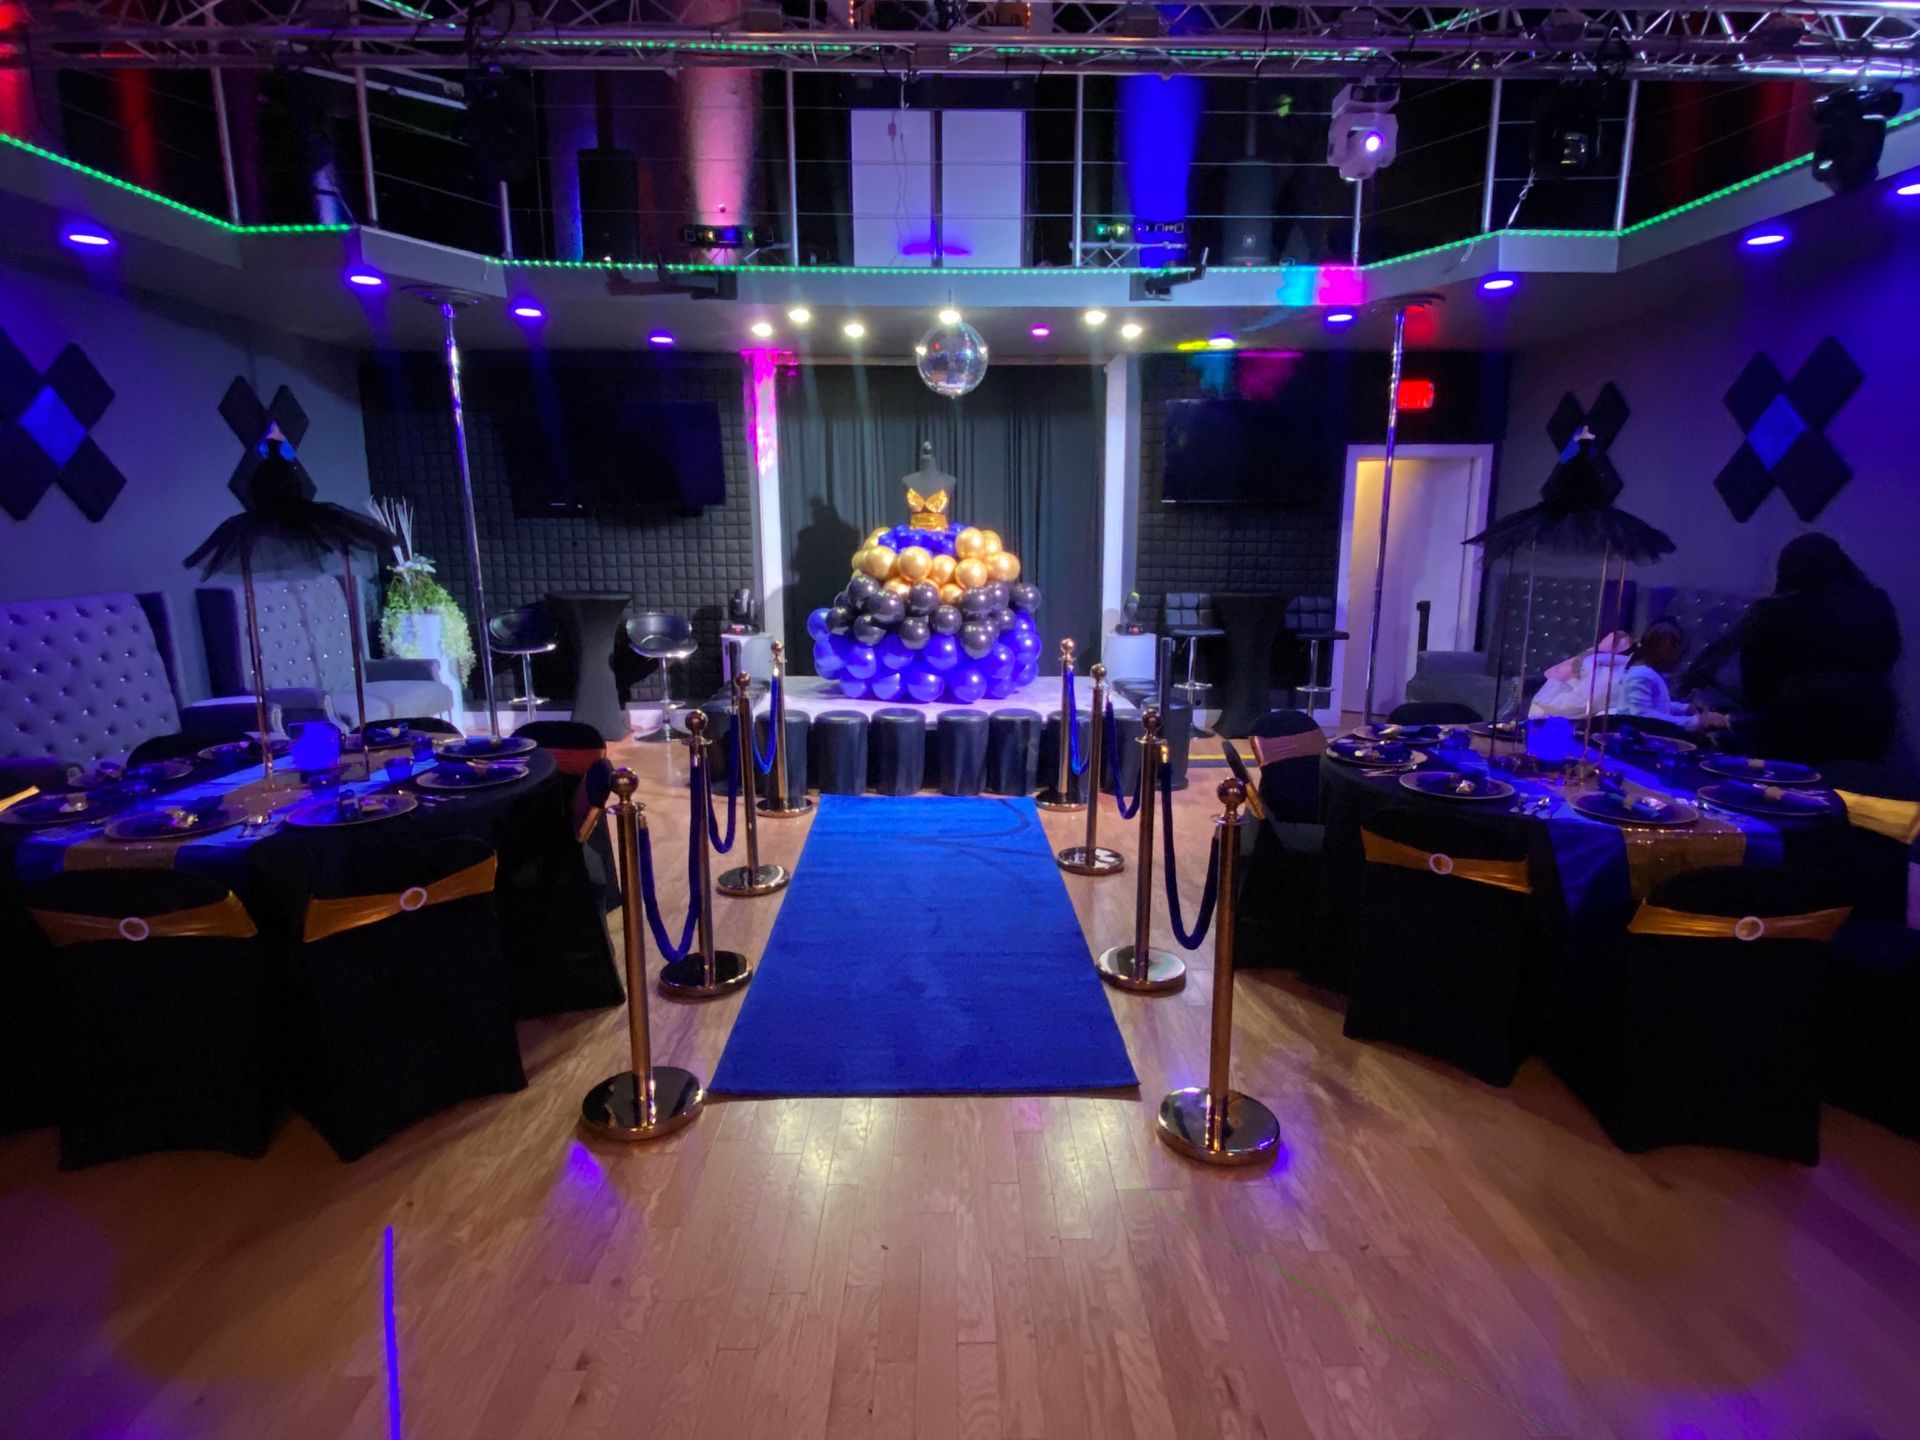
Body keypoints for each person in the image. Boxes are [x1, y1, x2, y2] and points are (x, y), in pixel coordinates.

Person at [1726, 533, 1903, 763]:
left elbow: (1755, 688)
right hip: (1872, 722)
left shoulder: (1773, 614)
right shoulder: (1875, 601)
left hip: (1793, 727)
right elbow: (1889, 655)